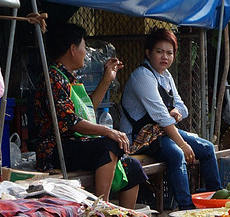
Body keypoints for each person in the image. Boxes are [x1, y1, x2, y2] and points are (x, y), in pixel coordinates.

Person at [32, 23, 145, 206]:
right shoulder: (53, 77)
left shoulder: (68, 77)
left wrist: (107, 79)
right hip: (55, 149)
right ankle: (101, 209)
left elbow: (88, 108)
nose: (86, 52)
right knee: (108, 145)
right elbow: (71, 122)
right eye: (84, 47)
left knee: (133, 168)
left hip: (76, 145)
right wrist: (108, 132)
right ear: (72, 49)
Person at [120, 27, 221, 209]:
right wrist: (183, 144)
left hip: (161, 133)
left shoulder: (165, 76)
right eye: (159, 52)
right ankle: (186, 208)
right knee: (176, 153)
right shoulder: (142, 76)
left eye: (169, 52)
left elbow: (182, 107)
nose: (164, 57)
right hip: (139, 139)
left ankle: (218, 200)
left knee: (207, 148)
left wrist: (175, 112)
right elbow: (161, 117)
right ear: (148, 53)